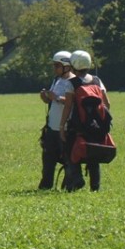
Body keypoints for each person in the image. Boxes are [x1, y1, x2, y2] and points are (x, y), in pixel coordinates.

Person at [60, 50, 109, 191]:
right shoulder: (97, 80)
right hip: (96, 127)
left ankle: (77, 179)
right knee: (93, 155)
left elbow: (68, 106)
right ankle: (95, 187)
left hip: (77, 126)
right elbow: (107, 104)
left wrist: (62, 126)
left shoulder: (72, 83)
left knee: (70, 153)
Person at [38, 51, 74, 190]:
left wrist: (57, 98)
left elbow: (72, 101)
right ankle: (46, 185)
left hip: (65, 128)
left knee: (67, 159)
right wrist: (45, 97)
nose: (55, 68)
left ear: (66, 66)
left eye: (57, 65)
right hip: (52, 127)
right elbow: (51, 100)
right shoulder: (57, 80)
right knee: (48, 158)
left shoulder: (73, 81)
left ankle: (69, 185)